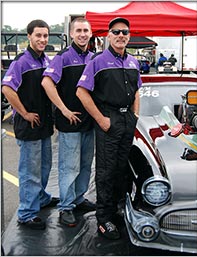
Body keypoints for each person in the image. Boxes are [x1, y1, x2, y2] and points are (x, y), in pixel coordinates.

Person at [76, 17, 141, 240]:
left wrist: (135, 115)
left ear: (129, 36)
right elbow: (81, 92)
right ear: (108, 35)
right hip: (108, 120)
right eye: (116, 32)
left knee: (122, 168)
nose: (120, 35)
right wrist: (101, 120)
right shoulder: (97, 61)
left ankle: (116, 210)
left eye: (124, 32)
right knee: (106, 171)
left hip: (126, 121)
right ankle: (104, 220)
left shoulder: (133, 62)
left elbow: (137, 91)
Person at [1, 19, 59, 230]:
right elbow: (6, 88)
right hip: (29, 125)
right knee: (30, 170)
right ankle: (27, 213)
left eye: (45, 36)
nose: (43, 39)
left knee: (44, 167)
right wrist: (24, 113)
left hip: (43, 124)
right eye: (38, 36)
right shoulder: (21, 62)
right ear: (29, 37)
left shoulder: (46, 60)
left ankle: (41, 199)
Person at [41, 17, 96, 227]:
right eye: (78, 30)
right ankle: (66, 207)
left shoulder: (93, 57)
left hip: (89, 123)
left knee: (84, 165)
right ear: (71, 34)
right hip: (70, 124)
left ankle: (79, 198)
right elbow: (47, 82)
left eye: (86, 30)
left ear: (91, 33)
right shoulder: (63, 57)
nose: (82, 34)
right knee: (69, 167)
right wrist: (63, 110)